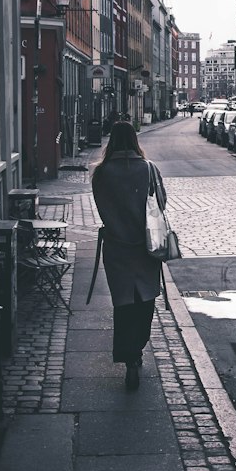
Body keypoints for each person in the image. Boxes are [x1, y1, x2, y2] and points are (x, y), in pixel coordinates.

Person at [90, 120, 165, 388]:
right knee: (145, 300)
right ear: (135, 140)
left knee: (123, 303)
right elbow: (162, 203)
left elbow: (101, 204)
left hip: (116, 247)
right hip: (145, 247)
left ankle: (128, 354)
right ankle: (137, 350)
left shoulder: (101, 173)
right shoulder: (148, 169)